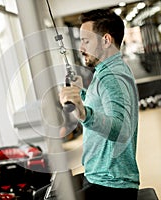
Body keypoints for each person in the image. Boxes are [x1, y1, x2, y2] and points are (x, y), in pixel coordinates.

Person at [59, 8, 140, 200]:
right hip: (100, 177)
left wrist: (84, 114)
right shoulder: (108, 71)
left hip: (111, 185)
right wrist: (83, 92)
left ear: (106, 40)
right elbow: (106, 107)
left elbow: (122, 130)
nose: (81, 48)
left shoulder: (111, 77)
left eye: (86, 41)